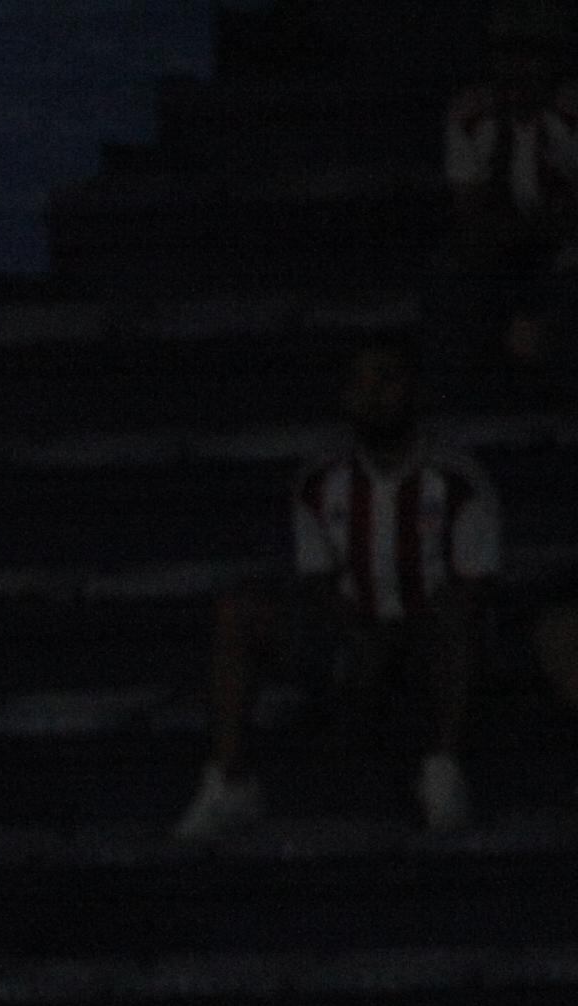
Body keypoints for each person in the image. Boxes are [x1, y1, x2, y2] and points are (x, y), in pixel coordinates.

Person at [178, 346, 499, 841]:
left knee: (461, 623)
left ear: (413, 389)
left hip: (427, 643)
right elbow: (318, 579)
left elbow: (473, 589)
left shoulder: (460, 481)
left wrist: (402, 634)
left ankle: (443, 767)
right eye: (360, 385)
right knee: (238, 613)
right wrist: (356, 635)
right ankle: (230, 780)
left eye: (386, 381)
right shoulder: (318, 482)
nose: (372, 397)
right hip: (351, 637)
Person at [445, 2, 578, 376]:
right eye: (509, 53)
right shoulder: (470, 114)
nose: (520, 68)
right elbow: (468, 212)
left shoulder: (571, 112)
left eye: (531, 54)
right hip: (500, 247)